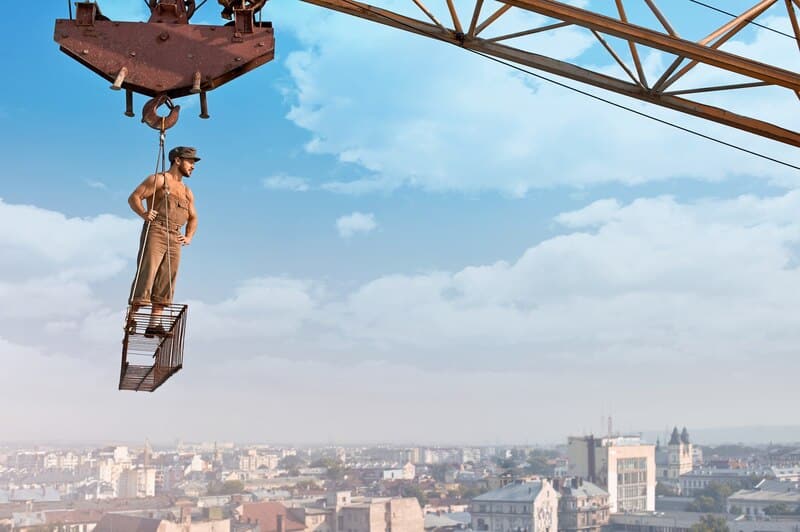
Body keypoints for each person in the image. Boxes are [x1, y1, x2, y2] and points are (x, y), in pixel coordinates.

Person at [127, 146, 199, 336]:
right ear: (177, 160)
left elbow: (193, 217)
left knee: (168, 278)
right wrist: (143, 213)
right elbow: (134, 197)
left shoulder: (187, 191)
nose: (193, 166)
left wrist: (189, 236)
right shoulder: (158, 179)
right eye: (190, 161)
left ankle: (154, 324)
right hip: (157, 230)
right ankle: (132, 320)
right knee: (147, 273)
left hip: (175, 236)